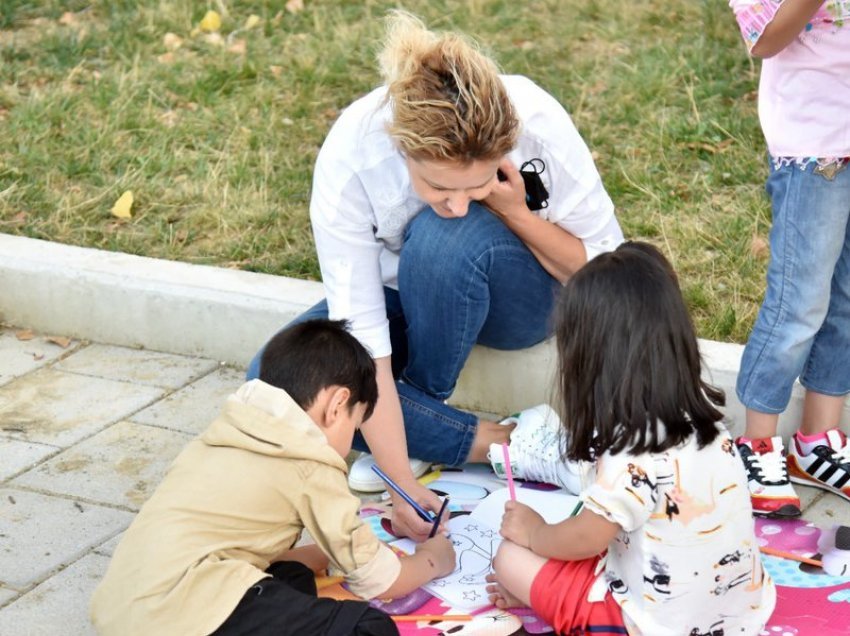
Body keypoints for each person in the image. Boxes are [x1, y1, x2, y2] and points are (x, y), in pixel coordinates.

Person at [247, 10, 623, 538]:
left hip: (521, 297)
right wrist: (402, 483)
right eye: (439, 187)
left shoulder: (535, 118)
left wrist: (513, 212)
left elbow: (606, 269)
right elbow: (365, 341)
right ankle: (502, 441)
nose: (460, 203)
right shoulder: (352, 158)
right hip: (405, 295)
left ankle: (423, 416)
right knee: (272, 375)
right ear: (403, 148)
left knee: (447, 237)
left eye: (476, 185)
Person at [90, 319, 456, 636]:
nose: (347, 445)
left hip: (124, 612)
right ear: (337, 404)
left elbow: (252, 545)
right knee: (366, 627)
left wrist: (357, 544)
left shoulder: (224, 433)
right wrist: (433, 559)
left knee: (289, 577)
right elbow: (382, 580)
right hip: (189, 615)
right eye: (354, 427)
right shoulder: (310, 460)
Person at [484, 242, 776, 635]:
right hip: (743, 610)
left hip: (652, 624)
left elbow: (587, 539)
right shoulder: (702, 417)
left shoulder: (630, 453)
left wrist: (534, 532)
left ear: (590, 361)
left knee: (510, 558)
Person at [728, 0, 850, 518]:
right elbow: (764, 39)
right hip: (812, 147)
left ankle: (817, 440)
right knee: (798, 302)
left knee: (846, 302)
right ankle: (755, 444)